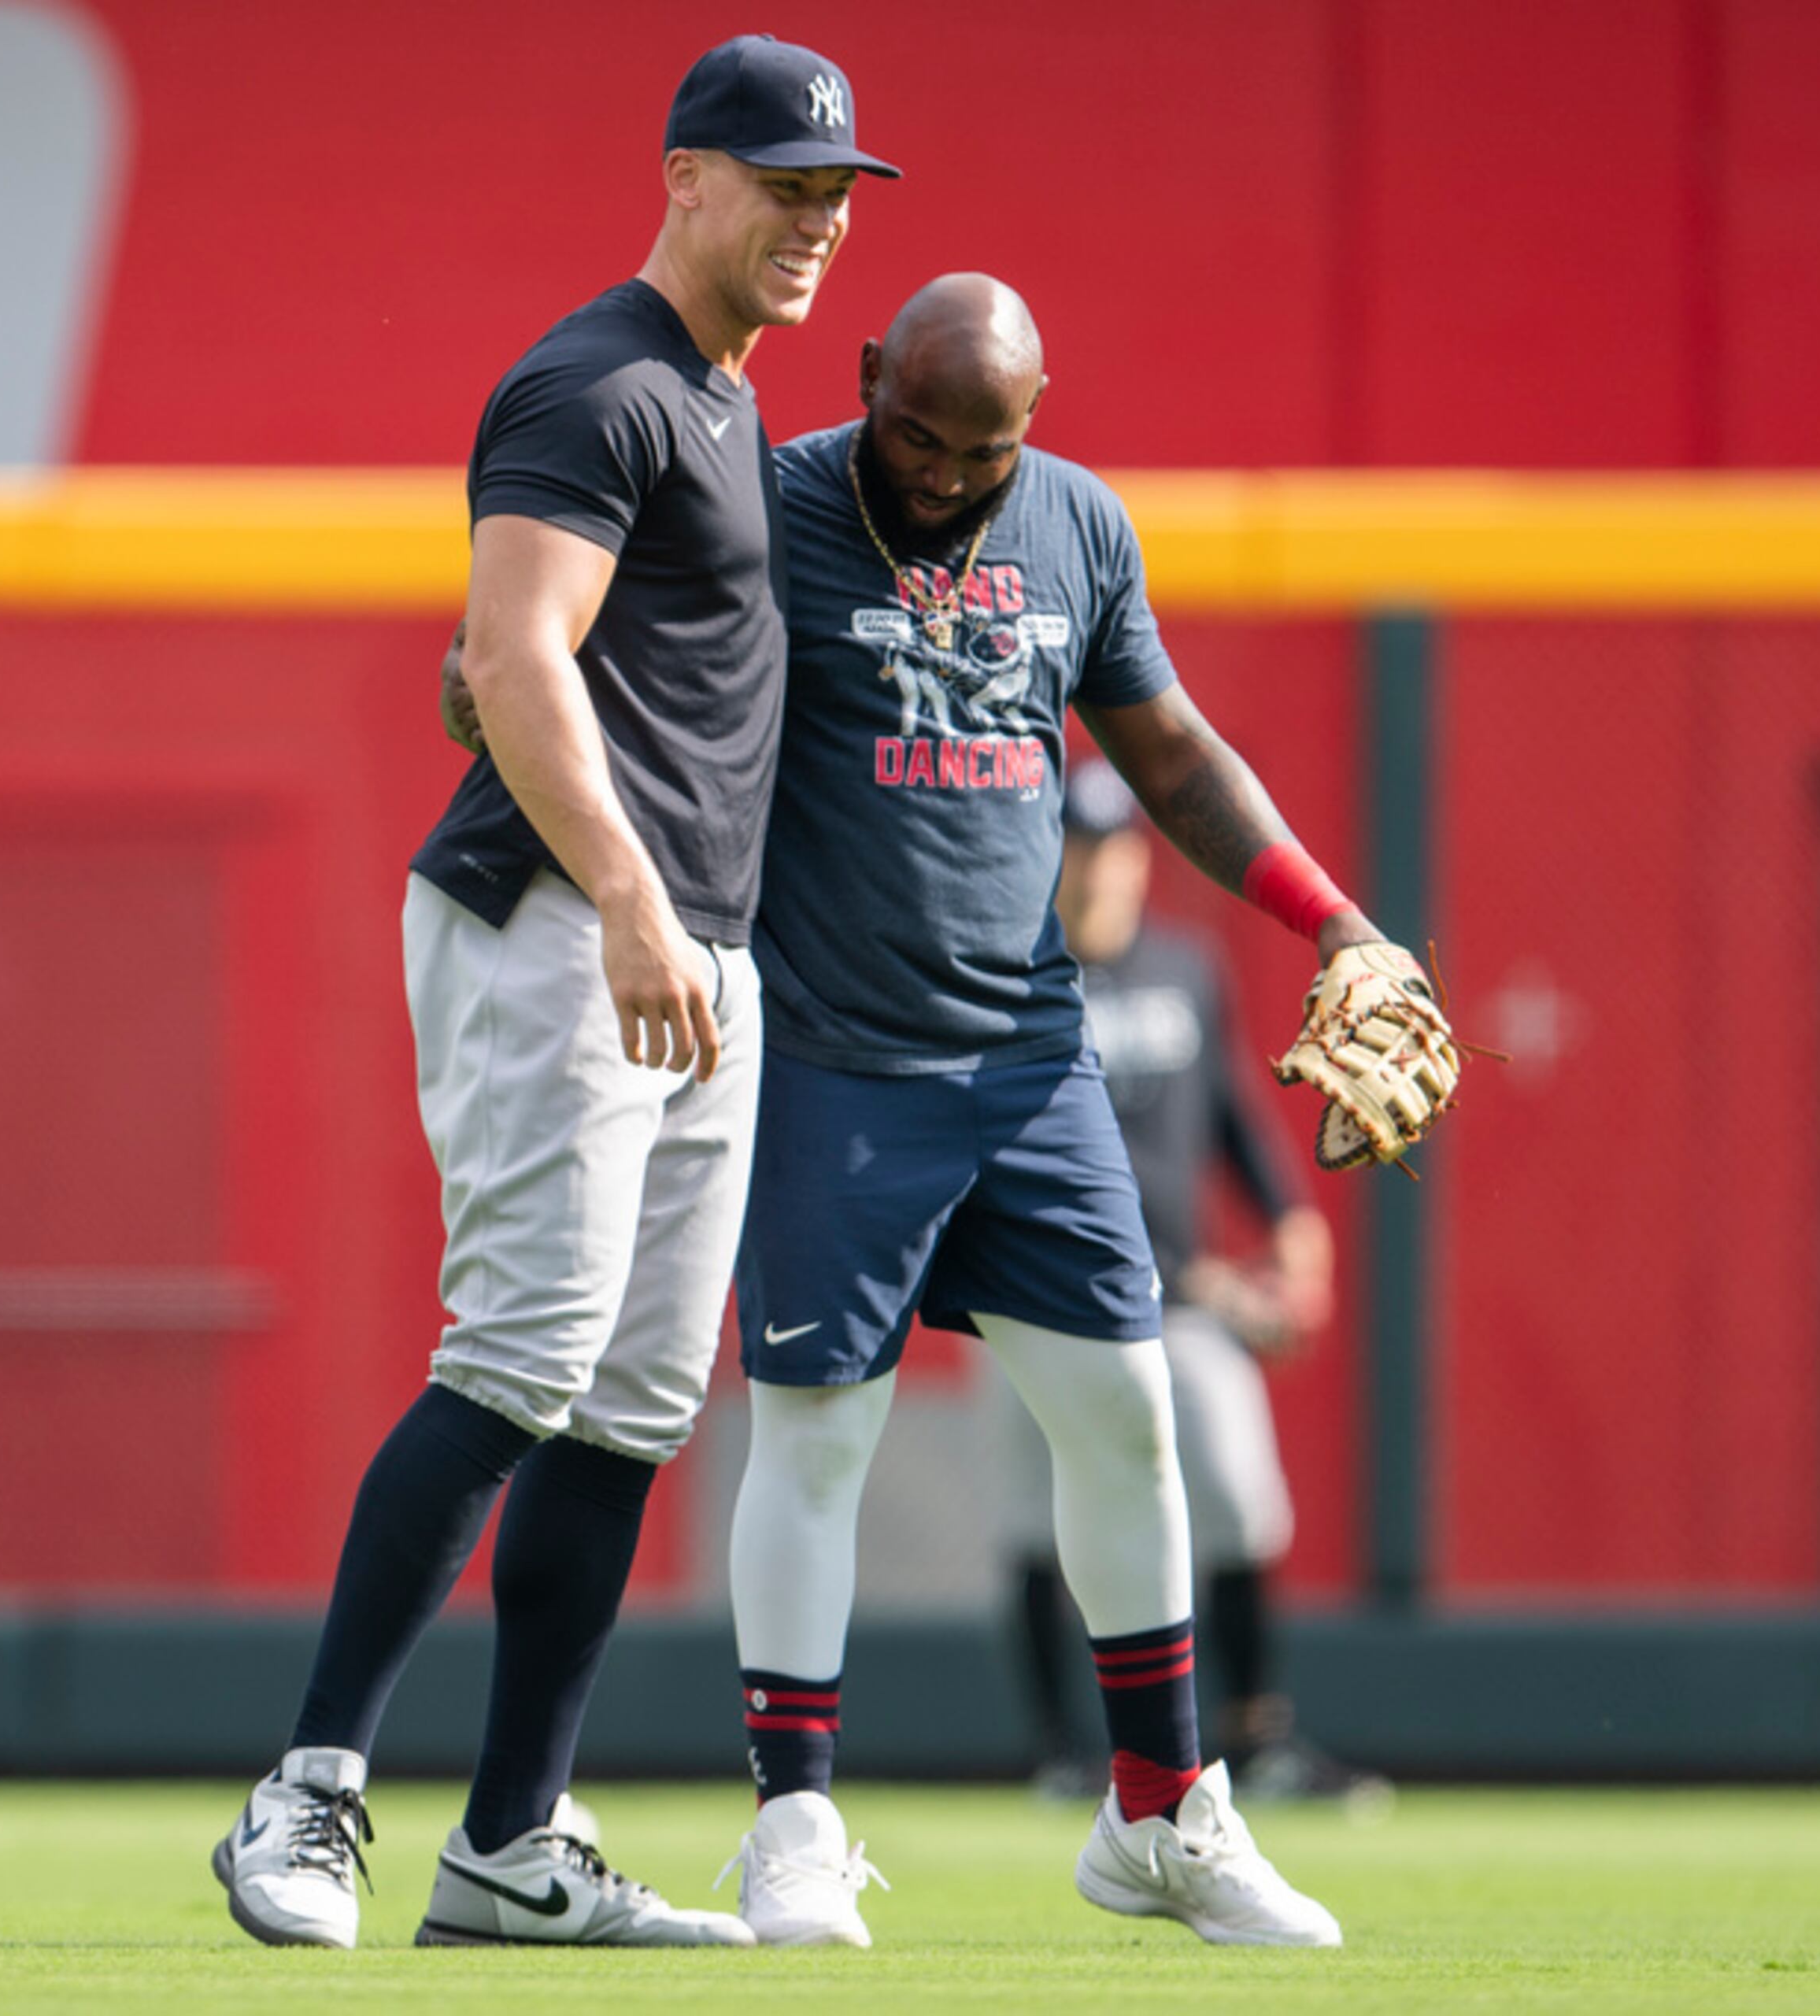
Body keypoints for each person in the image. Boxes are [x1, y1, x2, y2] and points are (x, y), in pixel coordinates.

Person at [455, 275, 1409, 1948]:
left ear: (1036, 423)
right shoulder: (774, 495)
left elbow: (1169, 750)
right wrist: (498, 681)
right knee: (818, 1434)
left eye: (987, 447)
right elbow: (580, 643)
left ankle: (1163, 1810)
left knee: (1127, 1416)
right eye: (921, 431)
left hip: (1029, 1055)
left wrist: (1333, 918)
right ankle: (797, 1821)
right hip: (831, 1047)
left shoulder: (1080, 524)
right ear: (869, 375)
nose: (951, 472)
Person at [216, 35, 896, 1952]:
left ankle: (512, 1846)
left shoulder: (719, 404)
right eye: (783, 183)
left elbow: (530, 658)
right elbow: (515, 658)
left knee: (631, 1408)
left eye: (838, 194)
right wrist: (621, 896)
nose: (816, 221)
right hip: (567, 923)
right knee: (519, 1358)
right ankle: (309, 1796)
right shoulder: (597, 377)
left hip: (691, 951)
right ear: (685, 175)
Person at [1003, 760, 1392, 1813]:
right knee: (1042, 1517)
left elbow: (1226, 1108)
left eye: (1115, 846)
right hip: (1033, 1290)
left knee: (1233, 1493)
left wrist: (1291, 1215)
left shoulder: (1184, 967)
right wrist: (1221, 1283)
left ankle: (1256, 1736)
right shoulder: (1016, 973)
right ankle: (1061, 1750)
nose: (1098, 868)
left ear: (1140, 855)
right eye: (1078, 847)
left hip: (1176, 1306)